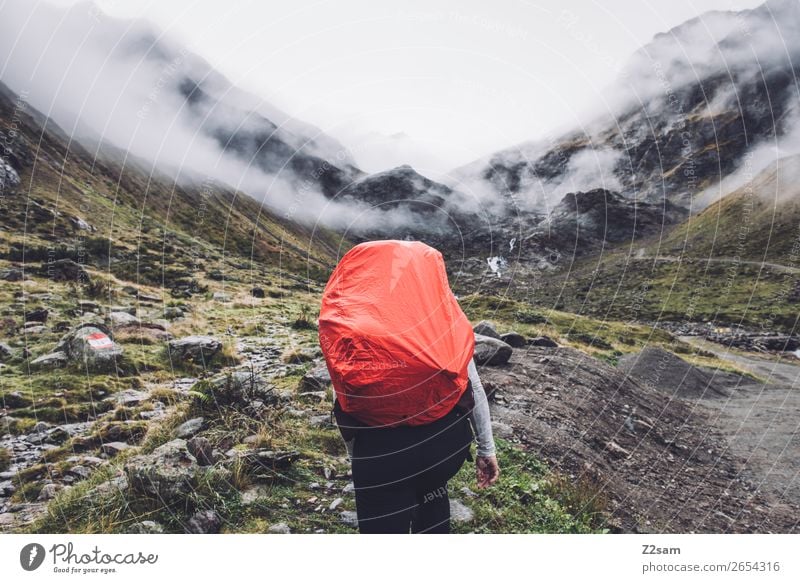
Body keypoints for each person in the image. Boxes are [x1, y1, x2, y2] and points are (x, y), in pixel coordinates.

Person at [335, 356, 500, 534]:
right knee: (433, 491)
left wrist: (357, 455)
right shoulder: (444, 327)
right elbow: (473, 386)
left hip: (382, 449)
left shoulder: (357, 327)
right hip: (443, 445)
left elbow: (343, 393)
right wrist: (486, 449)